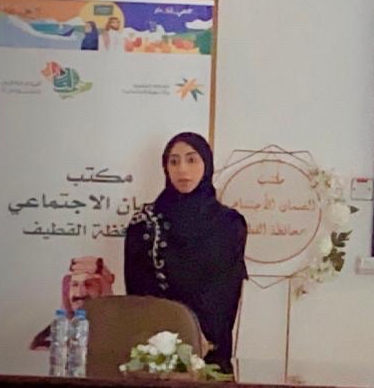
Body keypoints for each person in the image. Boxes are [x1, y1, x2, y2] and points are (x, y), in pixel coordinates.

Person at [124, 132, 248, 373]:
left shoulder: (230, 224)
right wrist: (165, 341)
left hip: (210, 351)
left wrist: (200, 339)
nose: (182, 169)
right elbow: (138, 295)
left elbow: (227, 292)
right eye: (174, 161)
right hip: (156, 353)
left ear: (207, 164)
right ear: (166, 168)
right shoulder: (144, 223)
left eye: (192, 160)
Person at [29, 257, 116, 350]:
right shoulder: (53, 334)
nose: (80, 293)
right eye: (75, 285)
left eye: (89, 284)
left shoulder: (118, 329)